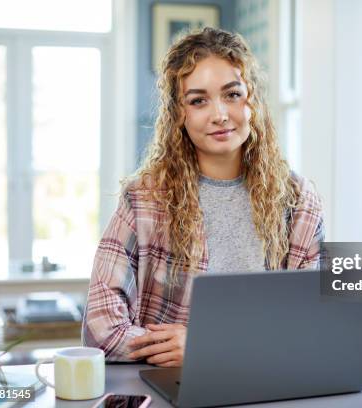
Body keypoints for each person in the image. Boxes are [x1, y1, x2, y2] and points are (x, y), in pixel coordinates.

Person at [82, 27, 324, 367]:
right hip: (172, 387)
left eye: (232, 94)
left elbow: (311, 322)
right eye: (198, 101)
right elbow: (100, 329)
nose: (219, 114)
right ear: (179, 114)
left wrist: (208, 346)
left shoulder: (297, 199)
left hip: (268, 383)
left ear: (251, 99)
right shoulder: (144, 199)